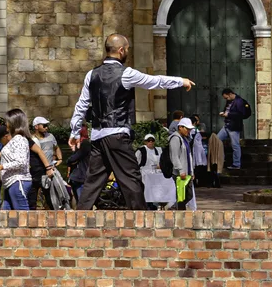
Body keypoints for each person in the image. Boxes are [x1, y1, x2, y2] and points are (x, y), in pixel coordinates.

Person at [69, 33, 194, 210]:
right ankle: (141, 221)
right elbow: (154, 81)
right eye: (127, 49)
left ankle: (78, 220)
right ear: (121, 50)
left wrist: (74, 132)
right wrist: (181, 81)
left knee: (93, 181)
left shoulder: (92, 74)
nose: (127, 52)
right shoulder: (126, 74)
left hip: (97, 136)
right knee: (132, 178)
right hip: (117, 134)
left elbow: (82, 104)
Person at [0, 111, 52, 210]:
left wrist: (2, 167)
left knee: (22, 215)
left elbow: (21, 162)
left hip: (17, 182)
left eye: (7, 121)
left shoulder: (20, 139)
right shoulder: (15, 139)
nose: (6, 124)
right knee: (7, 216)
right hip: (11, 183)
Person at [29, 115, 61, 209]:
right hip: (37, 171)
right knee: (32, 197)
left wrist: (60, 159)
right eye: (44, 125)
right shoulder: (32, 140)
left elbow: (56, 147)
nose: (46, 127)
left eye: (47, 125)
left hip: (49, 171)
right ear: (36, 126)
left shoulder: (51, 136)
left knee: (51, 197)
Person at [136, 133, 175, 208]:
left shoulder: (159, 150)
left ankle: (162, 202)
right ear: (145, 142)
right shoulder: (141, 151)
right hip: (145, 174)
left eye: (152, 140)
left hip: (157, 174)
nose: (150, 142)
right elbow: (136, 163)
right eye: (148, 140)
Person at [169, 118, 197, 211]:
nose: (188, 131)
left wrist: (191, 171)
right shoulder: (175, 138)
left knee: (188, 195)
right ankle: (178, 212)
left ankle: (177, 209)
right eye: (187, 129)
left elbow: (189, 156)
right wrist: (181, 170)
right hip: (180, 174)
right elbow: (175, 156)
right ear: (180, 127)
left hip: (187, 172)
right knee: (182, 196)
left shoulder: (185, 139)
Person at [218, 89, 249, 170]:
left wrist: (228, 114)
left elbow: (240, 114)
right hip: (227, 125)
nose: (226, 99)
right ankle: (221, 160)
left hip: (234, 126)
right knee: (217, 140)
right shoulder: (230, 101)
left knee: (235, 145)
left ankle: (236, 164)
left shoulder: (239, 101)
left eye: (227, 97)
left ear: (231, 94)